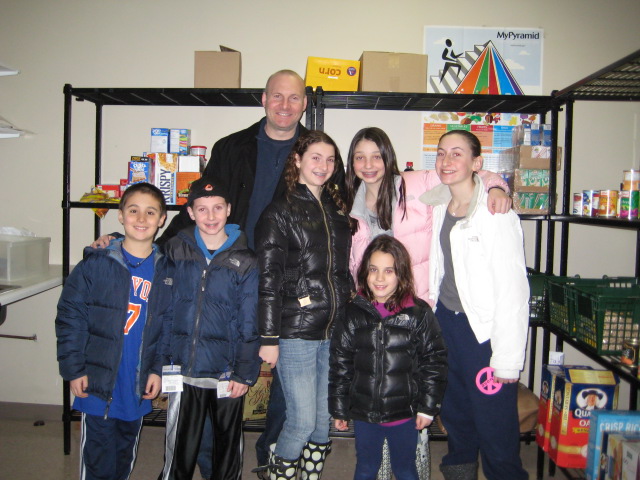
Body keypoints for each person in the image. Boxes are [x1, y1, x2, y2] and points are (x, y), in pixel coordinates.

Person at [93, 70, 329, 479]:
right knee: (205, 374)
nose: (285, 105)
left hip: (285, 288)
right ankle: (206, 463)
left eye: (294, 98)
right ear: (263, 99)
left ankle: (268, 455)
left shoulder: (314, 151)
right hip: (225, 276)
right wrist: (130, 239)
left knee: (285, 391)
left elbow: (336, 209)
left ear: (305, 103)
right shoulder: (231, 147)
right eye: (277, 97)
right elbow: (200, 208)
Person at [420, 130, 529, 480]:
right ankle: (459, 472)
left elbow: (514, 292)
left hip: (482, 331)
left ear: (476, 164)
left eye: (456, 154)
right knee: (456, 414)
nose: (446, 161)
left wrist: (508, 361)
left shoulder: (497, 214)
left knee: (494, 424)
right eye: (440, 153)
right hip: (446, 323)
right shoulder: (439, 204)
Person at [55, 182, 173, 480]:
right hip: (97, 379)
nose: (142, 218)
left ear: (162, 219)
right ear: (120, 216)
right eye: (133, 210)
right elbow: (70, 317)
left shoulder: (167, 271)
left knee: (124, 452)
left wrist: (157, 370)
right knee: (97, 457)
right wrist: (73, 369)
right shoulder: (96, 263)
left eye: (150, 212)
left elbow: (167, 326)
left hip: (137, 382)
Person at [256, 130, 351, 480]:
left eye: (330, 159)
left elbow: (340, 273)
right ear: (297, 160)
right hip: (294, 330)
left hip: (333, 328)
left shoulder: (336, 210)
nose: (323, 166)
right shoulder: (279, 212)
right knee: (300, 421)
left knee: (324, 423)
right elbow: (268, 279)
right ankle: (277, 472)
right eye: (315, 157)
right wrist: (268, 337)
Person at [158, 177, 261, 480]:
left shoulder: (246, 260)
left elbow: (249, 320)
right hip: (183, 368)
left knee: (226, 447)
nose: (211, 216)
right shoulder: (175, 250)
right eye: (202, 209)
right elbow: (163, 309)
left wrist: (244, 371)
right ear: (190, 212)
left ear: (229, 209)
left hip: (226, 373)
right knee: (180, 448)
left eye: (218, 208)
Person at [329, 235, 448, 480]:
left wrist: (428, 408)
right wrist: (339, 409)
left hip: (404, 414)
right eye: (373, 270)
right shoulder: (352, 312)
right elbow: (340, 364)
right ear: (364, 272)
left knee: (405, 469)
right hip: (365, 415)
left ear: (401, 274)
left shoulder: (418, 313)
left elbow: (434, 362)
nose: (380, 278)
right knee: (365, 468)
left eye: (388, 271)